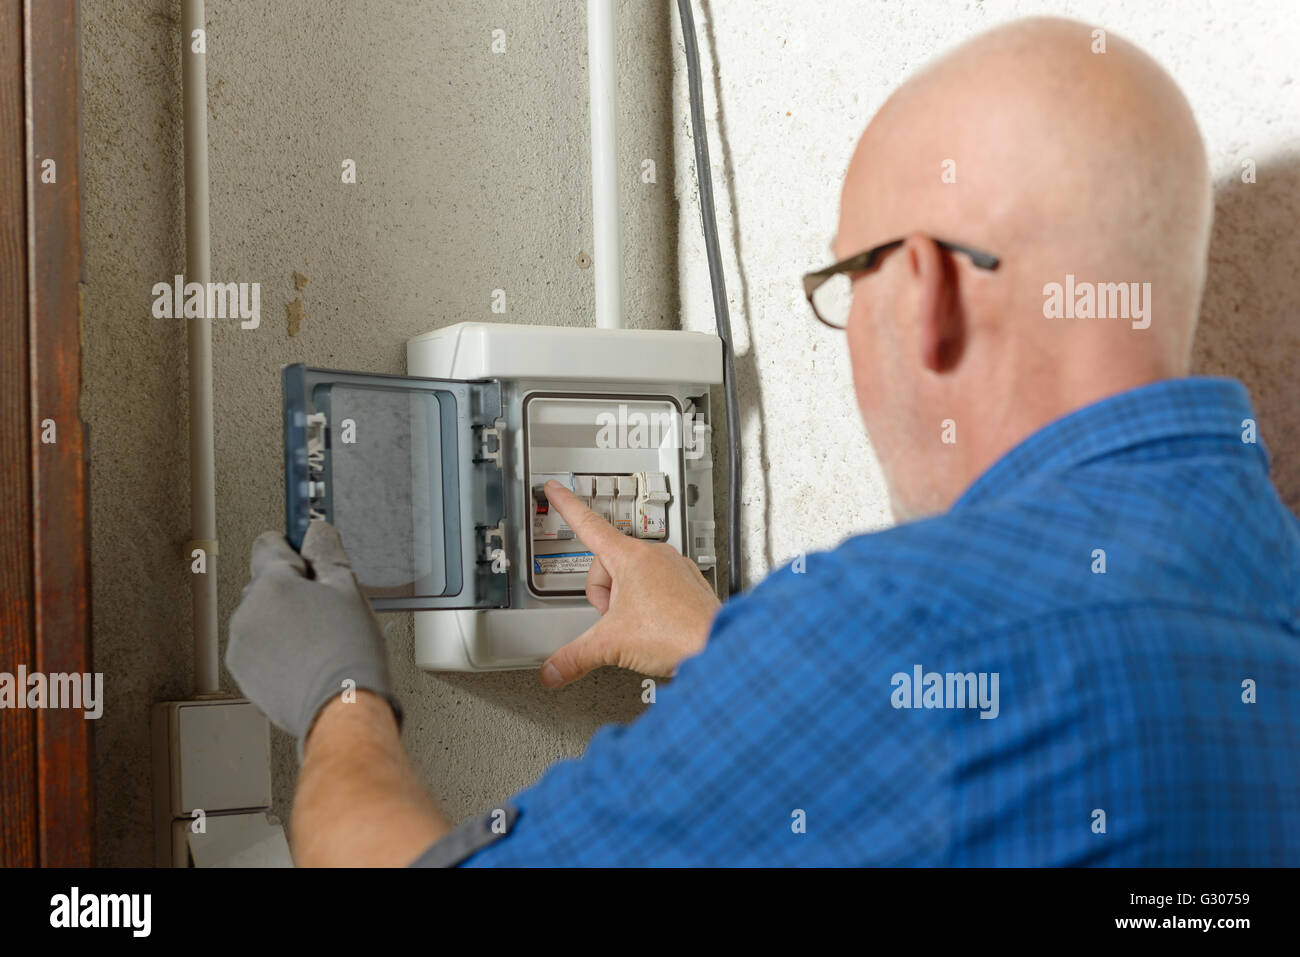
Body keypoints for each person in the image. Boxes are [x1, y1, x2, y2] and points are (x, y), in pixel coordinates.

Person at [227, 16, 1300, 866]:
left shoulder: (884, 625)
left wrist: (338, 697)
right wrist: (727, 653)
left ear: (920, 288)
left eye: (844, 284)